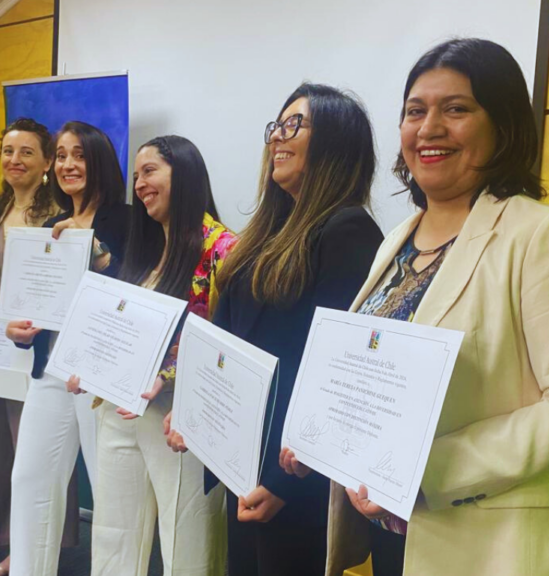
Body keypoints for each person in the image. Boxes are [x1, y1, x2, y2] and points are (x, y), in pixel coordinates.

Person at [282, 38, 549, 576]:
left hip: (491, 543)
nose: (429, 128)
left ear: (503, 125)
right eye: (415, 111)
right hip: (393, 535)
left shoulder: (542, 234)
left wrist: (427, 471)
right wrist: (320, 436)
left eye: (456, 109)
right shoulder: (396, 237)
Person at [166, 84, 384, 576]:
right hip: (243, 456)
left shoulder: (348, 230)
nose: (278, 139)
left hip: (290, 475)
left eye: (295, 125)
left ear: (335, 142)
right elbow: (226, 335)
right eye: (276, 127)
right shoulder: (268, 230)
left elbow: (336, 374)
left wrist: (288, 485)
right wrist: (192, 405)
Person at [65, 135, 235, 576]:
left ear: (185, 172)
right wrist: (91, 361)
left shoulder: (223, 250)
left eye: (151, 171)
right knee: (113, 532)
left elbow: (229, 341)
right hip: (121, 410)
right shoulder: (147, 248)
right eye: (136, 175)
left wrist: (173, 368)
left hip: (181, 418)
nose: (139, 184)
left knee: (187, 543)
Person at [3, 121, 131, 576]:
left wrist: (102, 259)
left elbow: (135, 297)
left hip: (99, 375)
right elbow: (39, 306)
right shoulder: (53, 228)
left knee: (110, 492)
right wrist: (21, 329)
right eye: (60, 155)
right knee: (31, 479)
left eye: (79, 154)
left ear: (98, 161)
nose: (68, 164)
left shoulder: (128, 220)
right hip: (52, 367)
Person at [0, 117, 65, 576]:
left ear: (47, 162)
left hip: (33, 350)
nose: (14, 160)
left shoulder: (58, 217)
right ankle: (8, 545)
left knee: (32, 455)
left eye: (26, 152)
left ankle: (33, 552)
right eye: (7, 150)